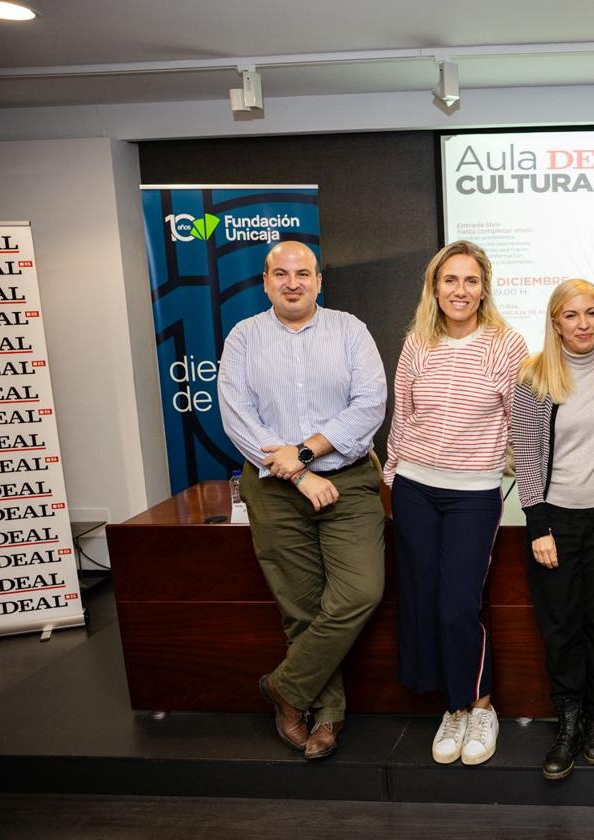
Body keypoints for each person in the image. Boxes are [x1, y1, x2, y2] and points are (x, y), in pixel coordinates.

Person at [218, 240, 387, 761]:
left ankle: (283, 689)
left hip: (349, 482)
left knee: (361, 591)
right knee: (301, 608)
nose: (293, 282)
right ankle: (326, 715)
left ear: (319, 281)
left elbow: (370, 405)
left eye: (303, 273)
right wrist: (297, 476)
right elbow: (238, 418)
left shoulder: (350, 330)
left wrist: (306, 453)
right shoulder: (244, 337)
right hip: (273, 491)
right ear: (265, 282)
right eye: (281, 274)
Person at [383, 240, 528, 767]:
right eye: (450, 280)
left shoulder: (506, 345)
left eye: (470, 281)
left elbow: (521, 422)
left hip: (473, 495)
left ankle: (481, 705)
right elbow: (402, 415)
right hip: (415, 488)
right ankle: (454, 708)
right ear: (435, 287)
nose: (459, 290)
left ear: (484, 287)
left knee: (456, 604)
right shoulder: (418, 342)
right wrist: (393, 477)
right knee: (422, 601)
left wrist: (504, 469)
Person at [511, 279, 594, 781]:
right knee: (562, 625)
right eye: (571, 315)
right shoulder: (532, 376)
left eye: (592, 313)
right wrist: (538, 524)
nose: (583, 324)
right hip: (558, 521)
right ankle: (566, 723)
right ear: (555, 322)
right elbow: (526, 455)